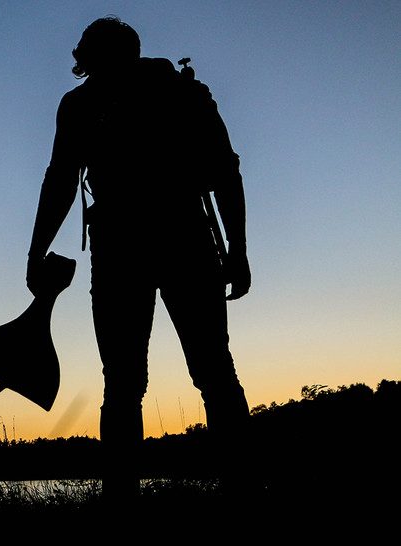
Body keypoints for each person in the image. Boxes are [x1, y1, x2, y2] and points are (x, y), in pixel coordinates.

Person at [26, 16, 252, 498]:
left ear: (88, 56)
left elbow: (62, 179)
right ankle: (239, 492)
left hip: (129, 248)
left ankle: (125, 502)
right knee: (208, 371)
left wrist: (36, 250)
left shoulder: (85, 103)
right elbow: (225, 171)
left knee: (128, 383)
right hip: (180, 241)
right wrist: (238, 249)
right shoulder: (178, 92)